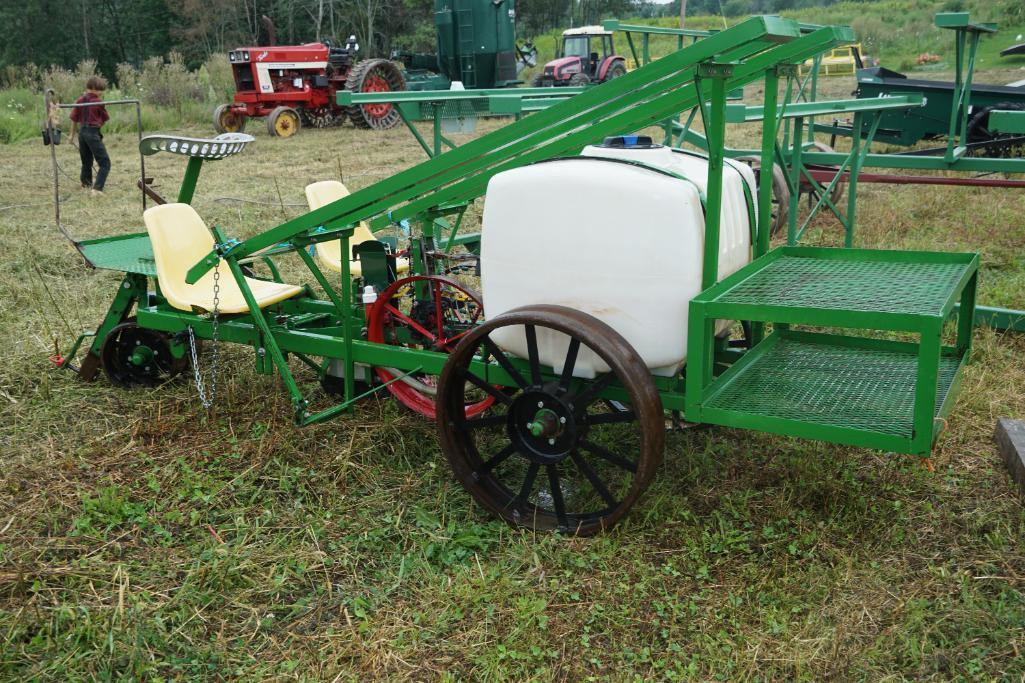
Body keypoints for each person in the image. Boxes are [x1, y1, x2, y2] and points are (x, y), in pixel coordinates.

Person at [70, 76, 111, 195]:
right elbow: (105, 118)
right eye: (100, 90)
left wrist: (71, 135)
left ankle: (86, 184)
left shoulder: (79, 101)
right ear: (94, 88)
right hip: (92, 132)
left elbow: (73, 119)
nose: (101, 92)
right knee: (105, 162)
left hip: (82, 133)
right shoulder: (98, 102)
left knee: (86, 161)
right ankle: (97, 189)